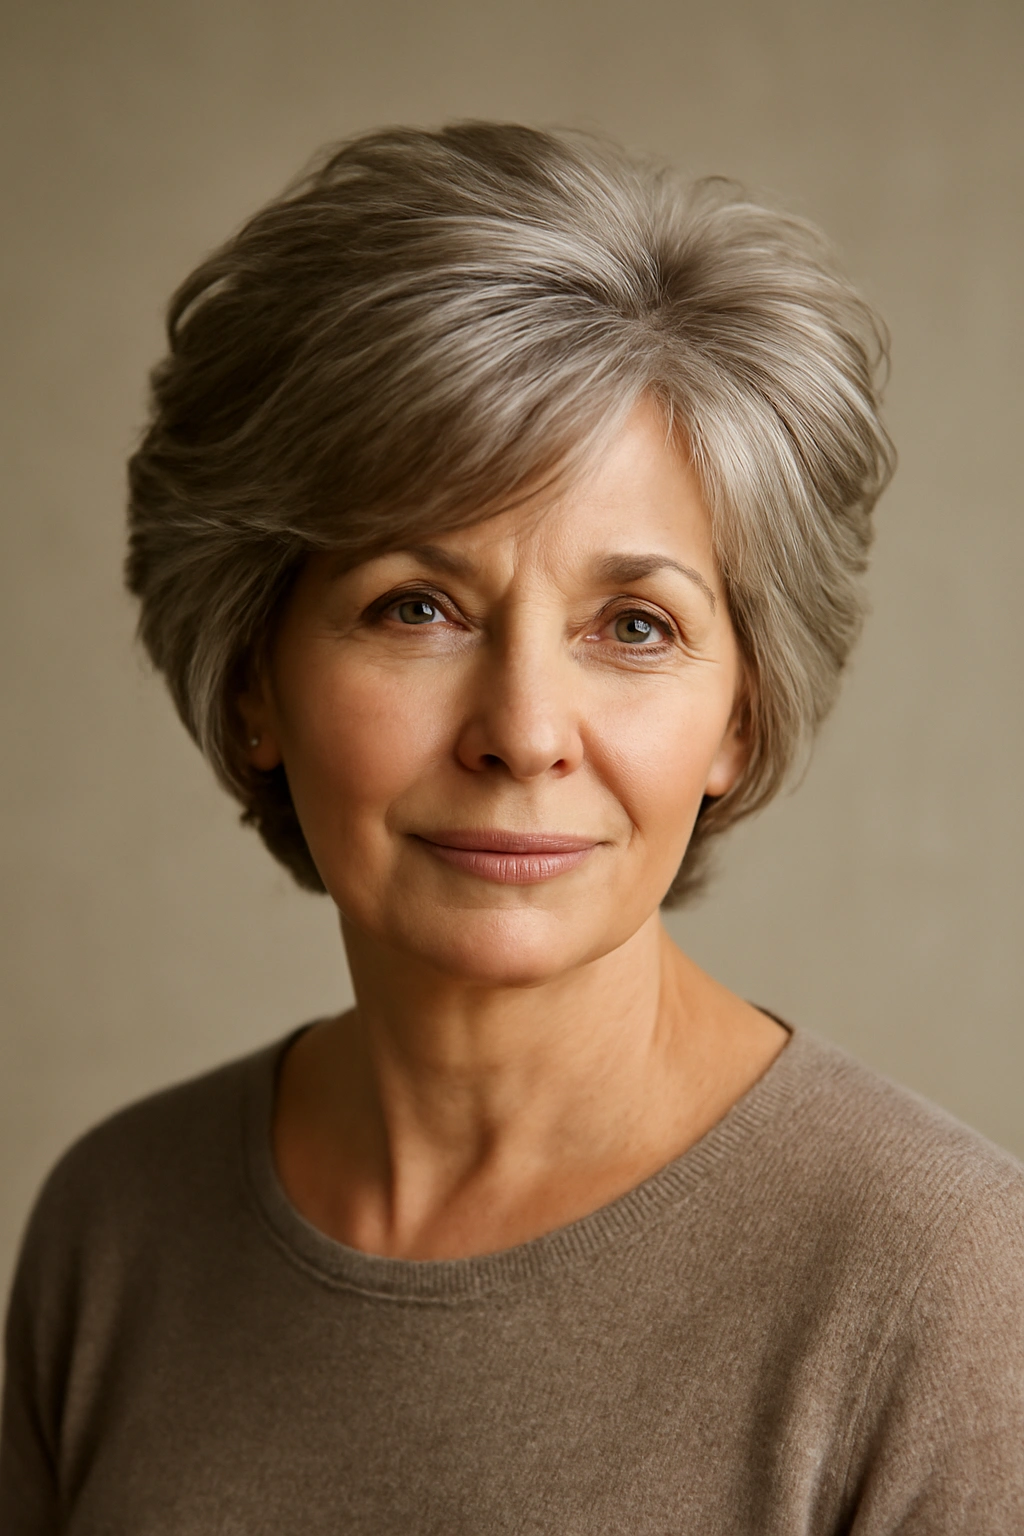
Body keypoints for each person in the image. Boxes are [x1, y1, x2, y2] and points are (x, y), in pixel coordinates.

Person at [2, 121, 1022, 1534]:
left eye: (637, 625)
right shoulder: (115, 1228)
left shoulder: (942, 1282)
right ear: (254, 683)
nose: (524, 729)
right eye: (416, 605)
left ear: (741, 716)